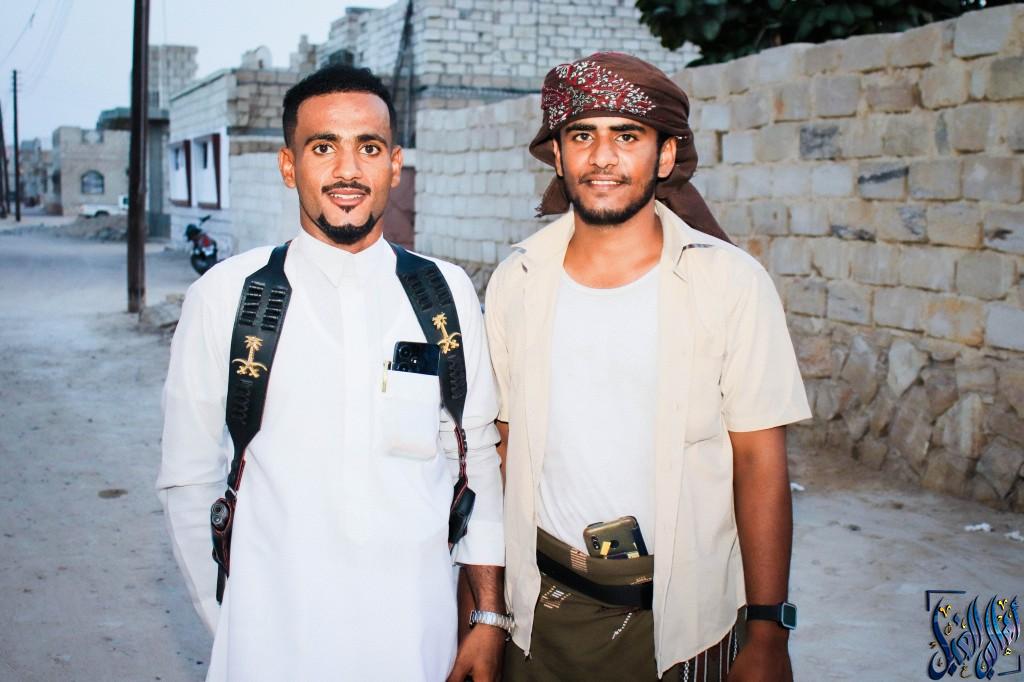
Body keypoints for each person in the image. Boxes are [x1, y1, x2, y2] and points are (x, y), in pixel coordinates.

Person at [157, 64, 507, 682]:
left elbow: (474, 455)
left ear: (394, 165)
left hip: (416, 643)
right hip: (270, 649)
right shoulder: (229, 297)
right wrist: (233, 623)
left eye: (368, 148)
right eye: (323, 147)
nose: (348, 171)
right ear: (289, 166)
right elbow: (189, 480)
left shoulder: (442, 293)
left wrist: (485, 616)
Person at [485, 53, 811, 681]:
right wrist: (485, 612)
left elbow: (760, 461)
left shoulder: (730, 285)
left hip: (688, 624)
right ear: (558, 156)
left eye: (627, 136)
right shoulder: (516, 282)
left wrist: (769, 631)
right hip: (540, 616)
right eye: (583, 135)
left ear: (664, 156)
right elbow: (499, 449)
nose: (602, 157)